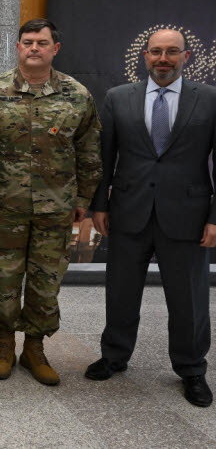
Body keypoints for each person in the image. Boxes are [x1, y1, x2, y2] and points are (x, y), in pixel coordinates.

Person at [86, 28, 216, 407]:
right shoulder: (117, 98)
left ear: (186, 56)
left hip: (188, 215)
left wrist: (214, 216)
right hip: (129, 211)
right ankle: (114, 355)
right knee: (121, 290)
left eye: (172, 52)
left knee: (189, 298)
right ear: (145, 55)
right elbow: (104, 157)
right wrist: (100, 206)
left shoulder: (209, 99)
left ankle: (192, 369)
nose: (163, 58)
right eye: (156, 51)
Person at [0, 18, 101, 385]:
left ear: (54, 49)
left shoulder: (77, 95)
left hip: (56, 208)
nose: (34, 48)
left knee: (46, 282)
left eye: (41, 43)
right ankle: (3, 344)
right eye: (27, 42)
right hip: (5, 207)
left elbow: (90, 150)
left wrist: (84, 197)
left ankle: (34, 347)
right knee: (5, 279)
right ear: (18, 47)